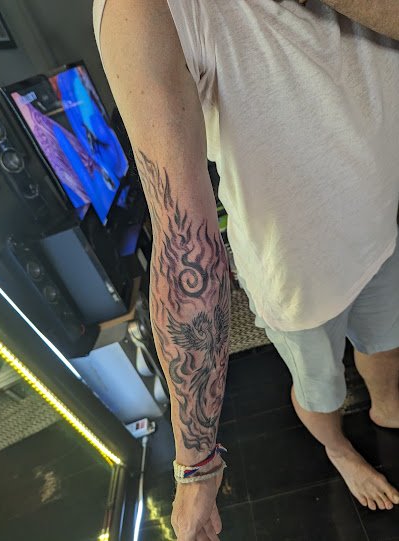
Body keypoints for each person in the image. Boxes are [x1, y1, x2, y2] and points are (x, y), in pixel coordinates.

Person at [93, 0, 399, 539]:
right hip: (295, 276)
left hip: (381, 229)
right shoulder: (138, 11)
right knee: (321, 392)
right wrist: (196, 464)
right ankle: (339, 450)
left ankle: (387, 410)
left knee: (386, 347)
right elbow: (185, 244)